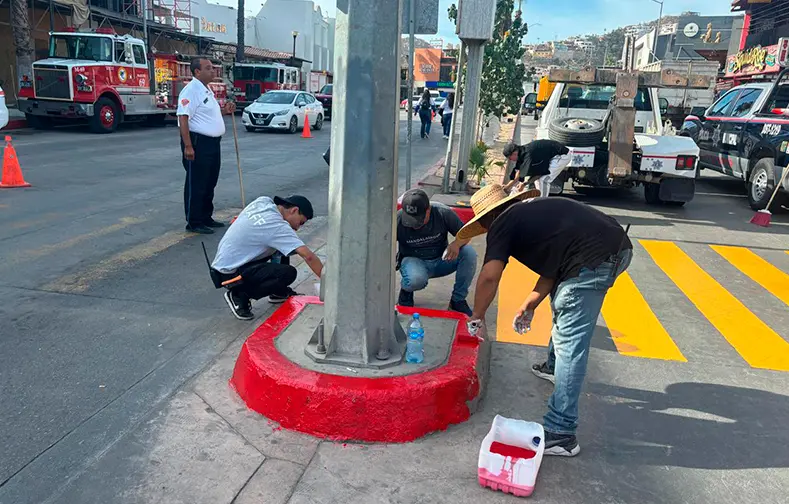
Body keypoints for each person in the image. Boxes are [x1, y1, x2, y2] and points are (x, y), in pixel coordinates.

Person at [458, 184, 632, 457]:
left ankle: (561, 433)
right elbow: (557, 267)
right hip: (608, 248)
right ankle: (554, 368)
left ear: (487, 218)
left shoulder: (503, 222)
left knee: (570, 342)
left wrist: (477, 316)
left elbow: (490, 276)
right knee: (564, 301)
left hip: (596, 257)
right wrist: (531, 302)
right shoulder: (532, 216)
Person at [210, 194, 324, 320]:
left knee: (285, 247)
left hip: (224, 263)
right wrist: (328, 282)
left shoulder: (263, 202)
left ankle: (277, 291)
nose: (297, 227)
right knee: (288, 273)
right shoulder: (277, 226)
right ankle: (239, 295)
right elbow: (308, 257)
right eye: (300, 222)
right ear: (294, 210)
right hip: (231, 274)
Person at [178, 58, 236, 234]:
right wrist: (188, 146)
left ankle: (205, 216)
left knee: (210, 180)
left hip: (213, 143)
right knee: (197, 182)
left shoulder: (206, 90)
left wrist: (225, 111)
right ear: (197, 72)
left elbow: (208, 115)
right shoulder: (191, 90)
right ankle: (194, 221)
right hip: (198, 142)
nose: (213, 71)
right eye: (208, 68)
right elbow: (183, 117)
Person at [397, 189, 476, 316]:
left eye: (419, 220)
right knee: (415, 279)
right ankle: (406, 291)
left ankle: (457, 300)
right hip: (414, 262)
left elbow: (466, 234)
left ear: (428, 210)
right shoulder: (398, 219)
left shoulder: (442, 212)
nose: (414, 225)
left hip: (441, 259)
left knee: (468, 253)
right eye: (410, 220)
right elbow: (384, 246)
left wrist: (456, 244)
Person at [503, 139, 571, 197]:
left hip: (561, 156)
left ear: (514, 153)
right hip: (551, 154)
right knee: (536, 180)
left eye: (509, 158)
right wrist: (507, 187)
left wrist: (524, 184)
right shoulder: (521, 152)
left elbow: (539, 173)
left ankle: (541, 204)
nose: (510, 160)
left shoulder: (529, 157)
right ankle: (539, 199)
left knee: (543, 180)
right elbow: (518, 173)